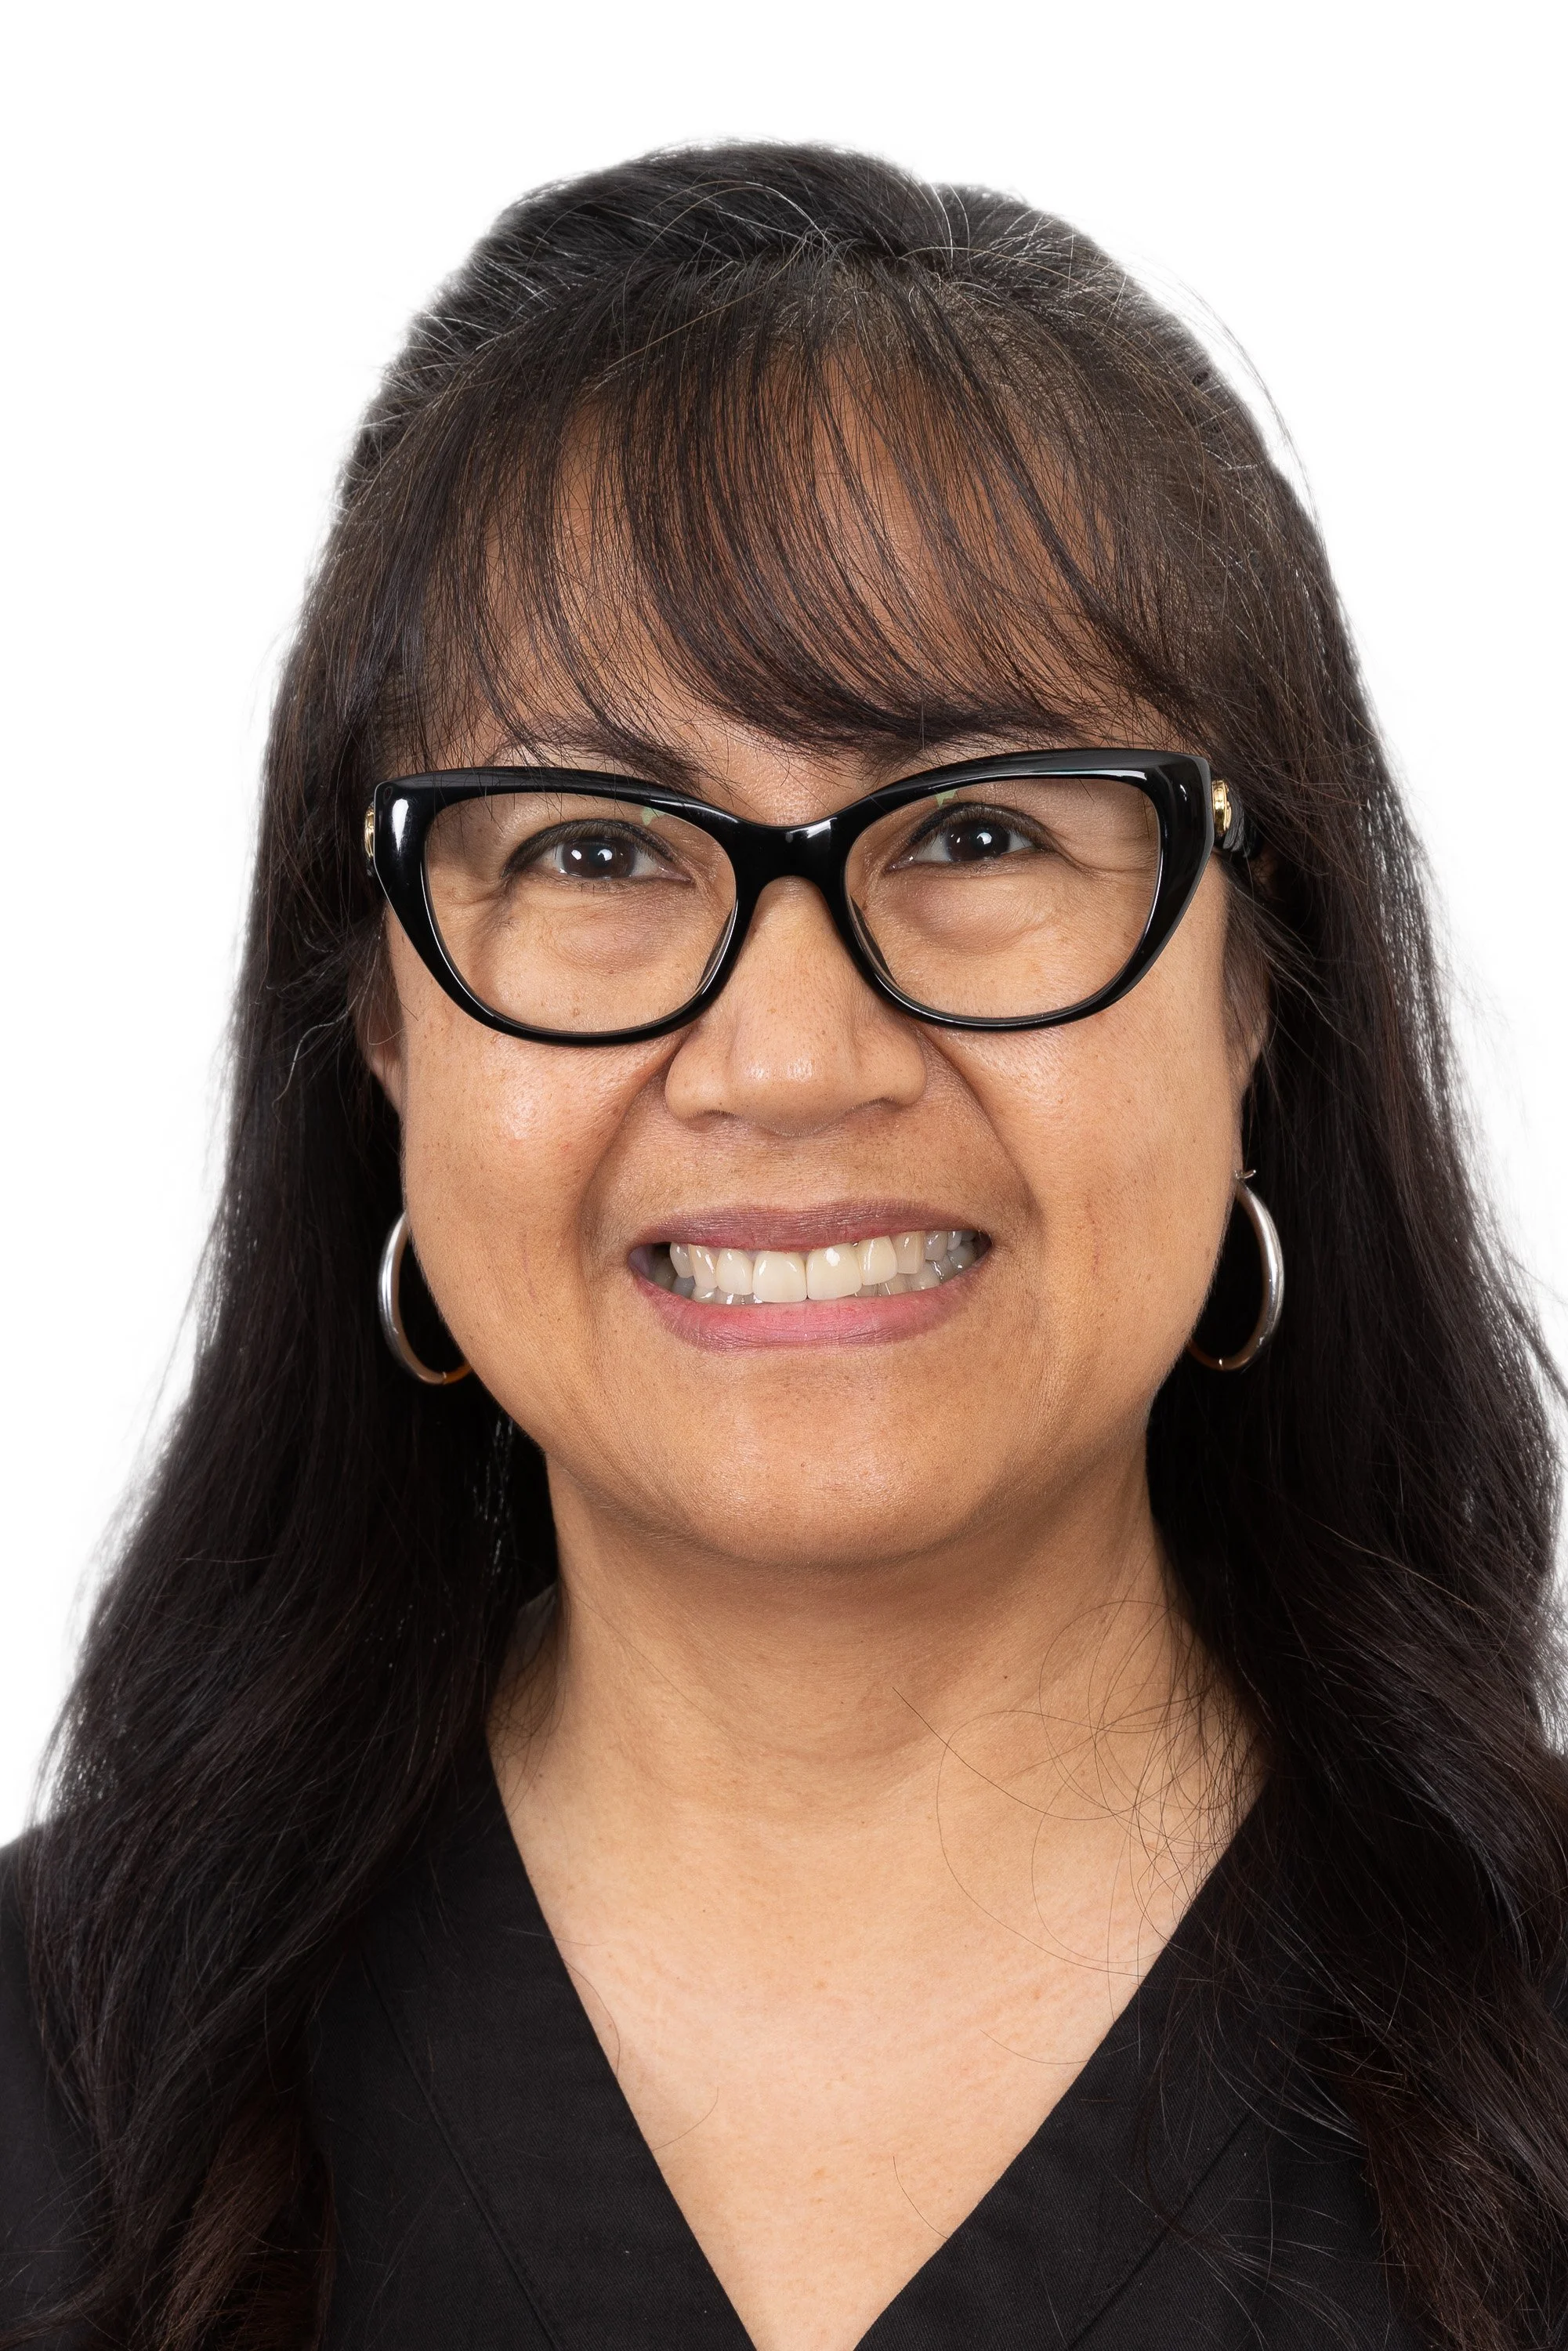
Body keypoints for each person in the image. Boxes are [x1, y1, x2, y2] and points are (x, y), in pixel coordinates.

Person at [2, 143, 1565, 2351]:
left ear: (1254, 988)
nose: (790, 1054)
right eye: (598, 845)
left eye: (982, 826)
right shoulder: (50, 2100)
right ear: (376, 1026)